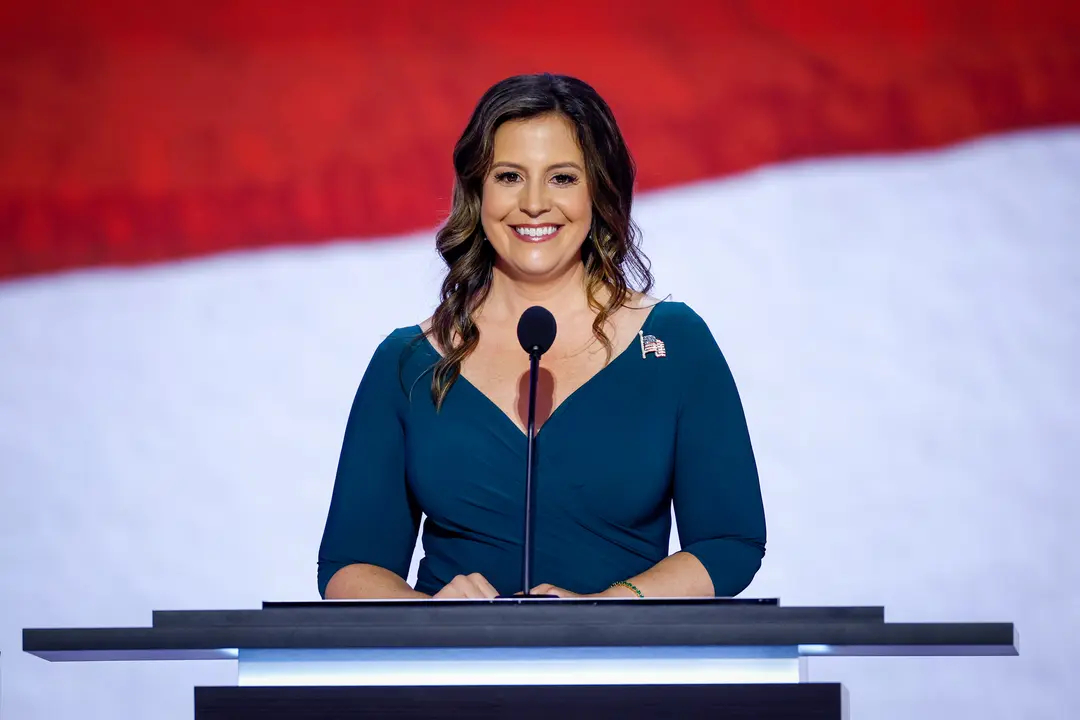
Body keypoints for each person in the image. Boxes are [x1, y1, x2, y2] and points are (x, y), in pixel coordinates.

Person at [318, 73, 765, 600]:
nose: (534, 203)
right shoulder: (409, 361)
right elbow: (349, 566)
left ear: (599, 190)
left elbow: (728, 543)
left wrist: (612, 607)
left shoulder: (673, 344)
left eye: (562, 178)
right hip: (451, 674)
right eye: (509, 176)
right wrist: (428, 614)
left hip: (622, 673)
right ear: (477, 191)